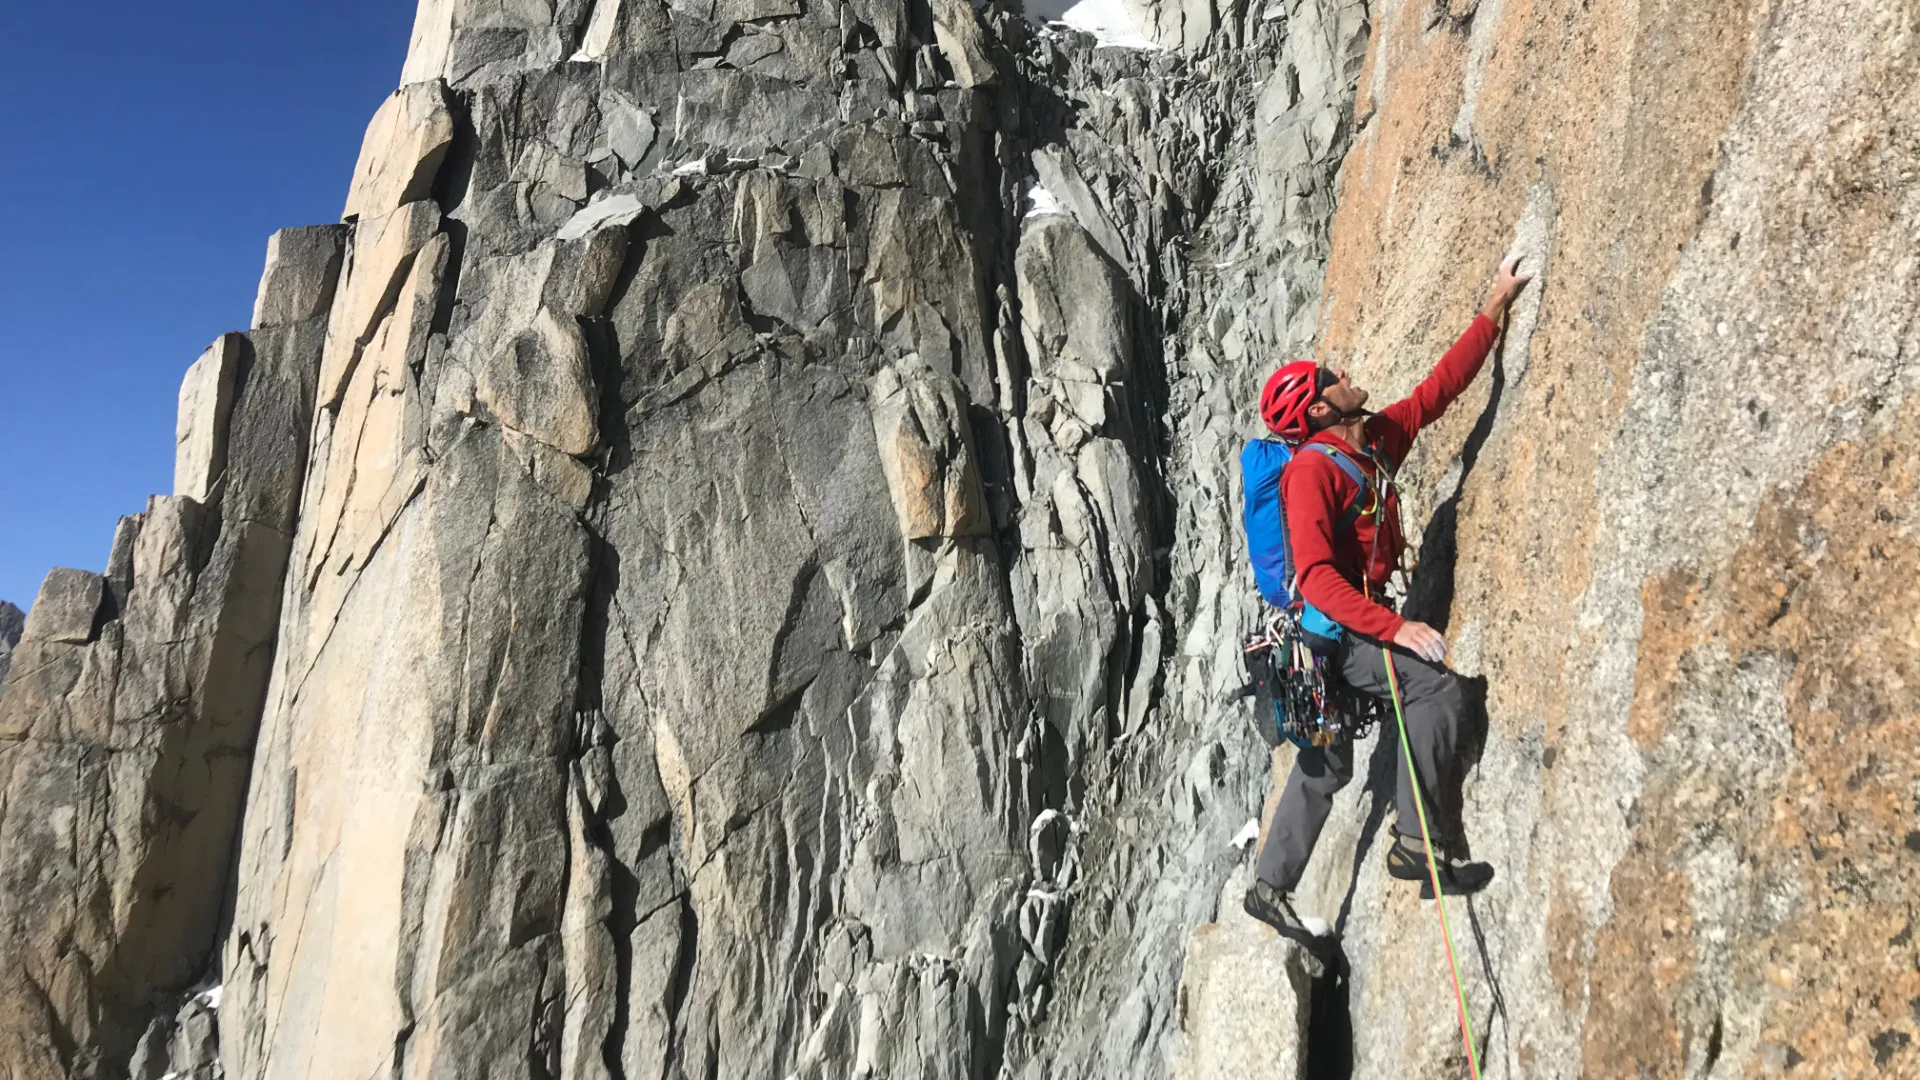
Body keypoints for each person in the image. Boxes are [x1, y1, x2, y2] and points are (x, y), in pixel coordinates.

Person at [1243, 254, 1534, 943]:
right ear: (1317, 409)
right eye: (1331, 379)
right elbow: (1315, 577)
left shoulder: (1368, 445)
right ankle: (1416, 841)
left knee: (1329, 762)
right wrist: (1396, 632)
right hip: (1337, 638)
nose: (1346, 375)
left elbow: (1435, 394)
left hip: (1329, 639)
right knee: (1432, 688)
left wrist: (1494, 306)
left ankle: (1268, 886)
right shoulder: (1313, 473)